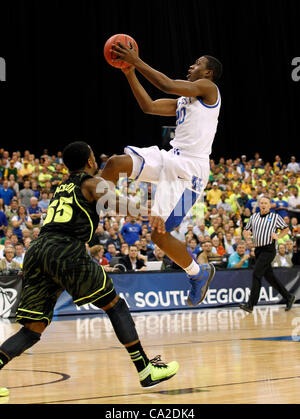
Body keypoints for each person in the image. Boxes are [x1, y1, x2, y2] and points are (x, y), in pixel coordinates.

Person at [0, 142, 178, 397]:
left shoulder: (62, 188)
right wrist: (149, 212)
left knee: (32, 330)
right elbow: (118, 202)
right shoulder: (90, 182)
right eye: (94, 158)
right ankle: (145, 369)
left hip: (38, 251)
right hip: (65, 251)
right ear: (91, 162)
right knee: (114, 305)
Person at [101, 46, 222, 307]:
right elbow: (149, 106)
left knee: (158, 234)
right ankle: (91, 215)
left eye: (197, 63)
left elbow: (166, 84)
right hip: (171, 157)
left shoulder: (209, 90)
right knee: (113, 164)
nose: (192, 66)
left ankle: (197, 274)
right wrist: (129, 72)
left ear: (208, 73)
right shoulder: (184, 100)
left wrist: (137, 60)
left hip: (190, 171)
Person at [239, 196, 296, 313]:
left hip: (269, 249)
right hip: (258, 250)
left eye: (266, 203)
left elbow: (286, 229)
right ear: (259, 205)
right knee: (270, 278)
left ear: (270, 205)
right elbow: (245, 230)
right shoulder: (254, 217)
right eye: (261, 203)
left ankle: (250, 304)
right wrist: (247, 238)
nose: (263, 205)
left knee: (256, 274)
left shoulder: (275, 217)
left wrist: (278, 236)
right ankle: (289, 297)